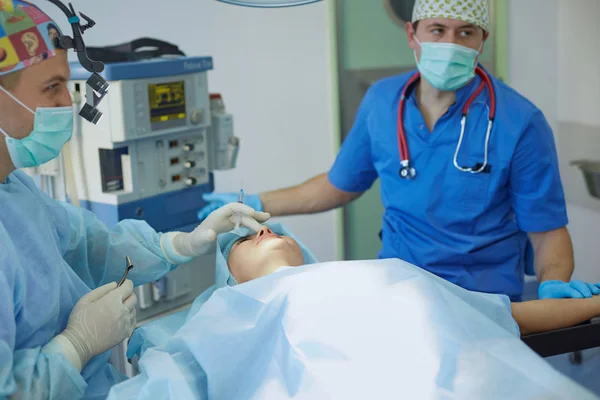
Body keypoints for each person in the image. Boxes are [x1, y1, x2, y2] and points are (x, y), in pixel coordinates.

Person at [198, 0, 599, 302]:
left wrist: (553, 287)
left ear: (482, 41)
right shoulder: (381, 101)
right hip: (397, 288)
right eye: (437, 30)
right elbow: (337, 187)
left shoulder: (520, 122)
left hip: (484, 300)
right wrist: (250, 203)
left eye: (466, 33)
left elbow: (547, 235)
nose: (451, 43)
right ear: (412, 34)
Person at [0, 2, 269, 399]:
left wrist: (183, 243)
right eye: (52, 88)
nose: (67, 105)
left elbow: (95, 250)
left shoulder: (16, 192)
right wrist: (76, 346)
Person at [110, 219, 600, 399]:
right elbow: (172, 383)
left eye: (271, 228)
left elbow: (511, 316)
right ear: (228, 277)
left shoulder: (384, 272)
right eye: (241, 237)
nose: (261, 230)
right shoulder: (225, 314)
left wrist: (592, 302)